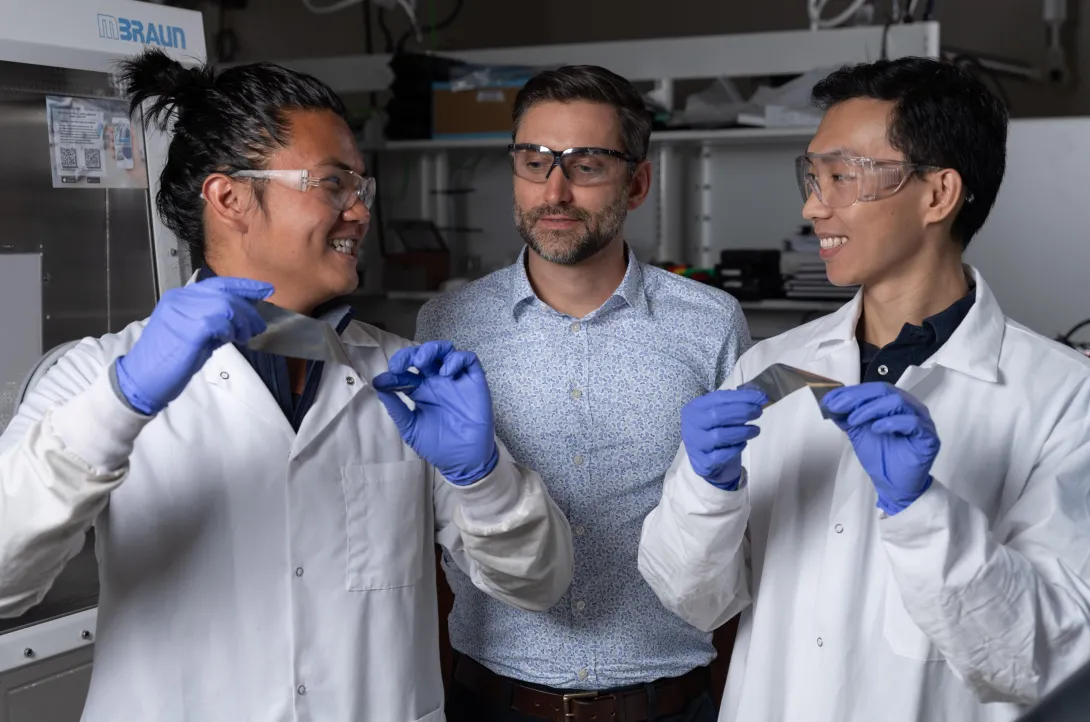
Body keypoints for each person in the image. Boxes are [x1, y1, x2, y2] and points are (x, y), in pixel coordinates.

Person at [0, 48, 572, 722]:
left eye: (362, 187)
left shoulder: (408, 379)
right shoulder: (93, 379)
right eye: (333, 184)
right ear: (231, 197)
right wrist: (120, 406)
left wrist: (483, 477)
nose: (360, 213)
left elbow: (540, 584)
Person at [638, 57, 1090, 722]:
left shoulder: (1062, 397)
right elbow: (693, 602)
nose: (811, 205)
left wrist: (922, 511)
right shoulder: (771, 365)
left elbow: (1044, 661)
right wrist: (707, 491)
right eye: (813, 176)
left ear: (937, 195)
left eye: (842, 177)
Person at [416, 65, 751, 722]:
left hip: (668, 704)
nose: (555, 190)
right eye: (534, 161)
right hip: (494, 701)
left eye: (588, 165)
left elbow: (738, 538)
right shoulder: (448, 326)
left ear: (639, 182)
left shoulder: (711, 323)